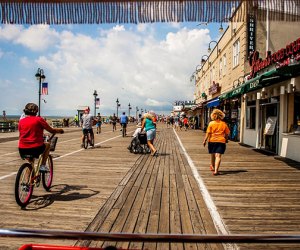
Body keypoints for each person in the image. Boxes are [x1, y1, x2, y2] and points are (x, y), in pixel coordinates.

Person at [18, 103, 64, 171]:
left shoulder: (21, 121)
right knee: (47, 145)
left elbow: (24, 132)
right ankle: (43, 165)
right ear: (36, 111)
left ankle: (29, 180)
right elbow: (51, 130)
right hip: (36, 148)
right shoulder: (39, 119)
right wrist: (60, 130)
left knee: (30, 163)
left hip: (22, 149)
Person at [203, 109, 230, 176]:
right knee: (218, 156)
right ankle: (216, 171)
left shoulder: (211, 123)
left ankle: (212, 166)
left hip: (212, 141)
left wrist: (205, 140)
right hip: (221, 141)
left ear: (213, 116)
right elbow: (227, 134)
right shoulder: (224, 124)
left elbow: (208, 133)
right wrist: (226, 139)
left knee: (212, 153)